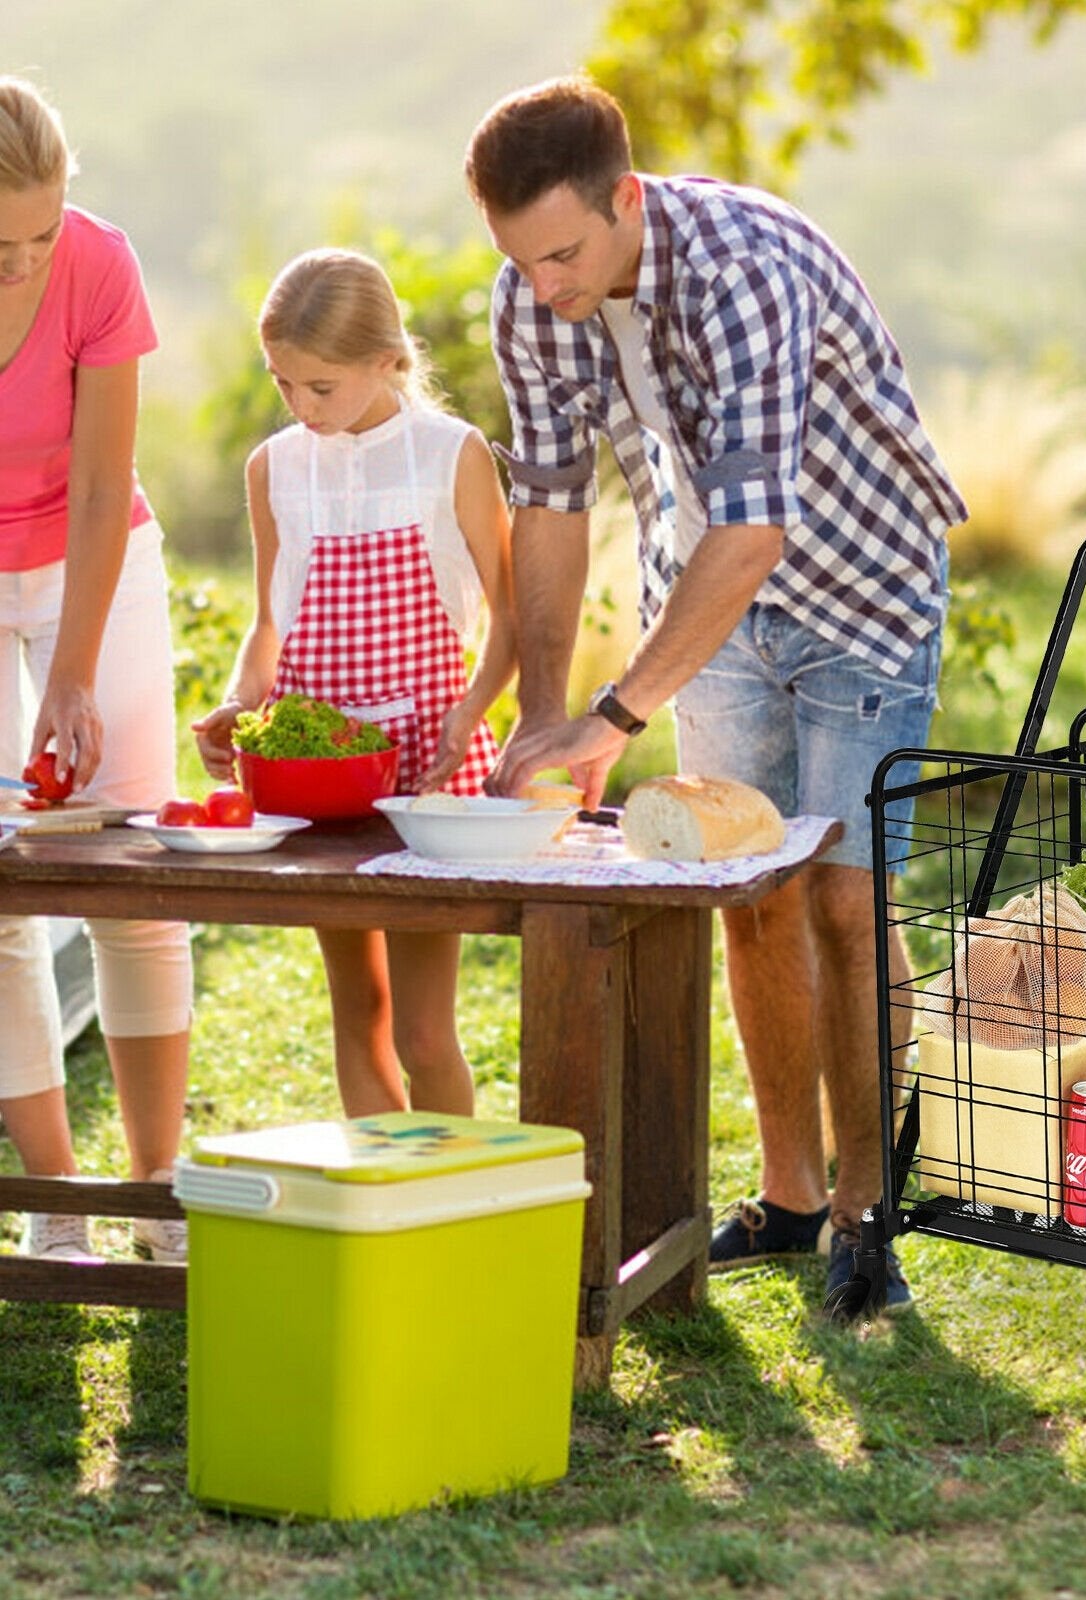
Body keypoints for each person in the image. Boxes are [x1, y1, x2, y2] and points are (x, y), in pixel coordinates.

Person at [464, 77, 966, 1312]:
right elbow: (546, 505)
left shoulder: (742, 269)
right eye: (521, 262)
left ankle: (866, 1217)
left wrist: (616, 714)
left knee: (845, 905)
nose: (544, 287)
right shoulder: (534, 297)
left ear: (627, 199)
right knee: (745, 892)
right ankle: (792, 1199)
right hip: (704, 606)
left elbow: (754, 532)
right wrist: (543, 711)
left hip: (860, 591)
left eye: (564, 254)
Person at [193, 249, 516, 1119]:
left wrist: (470, 714)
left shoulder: (451, 456)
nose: (301, 407)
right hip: (317, 786)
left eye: (320, 387)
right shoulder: (274, 467)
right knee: (357, 1013)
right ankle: (385, 1212)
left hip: (425, 779)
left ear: (387, 360)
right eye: (283, 383)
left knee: (422, 1032)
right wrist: (238, 705)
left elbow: (510, 621)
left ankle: (450, 1201)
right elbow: (271, 624)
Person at [0, 77, 192, 1263]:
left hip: (94, 552)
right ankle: (56, 1203)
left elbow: (102, 479)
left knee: (134, 867)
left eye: (38, 235)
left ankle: (157, 1191)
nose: (23, 265)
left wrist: (68, 674)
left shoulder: (99, 261)